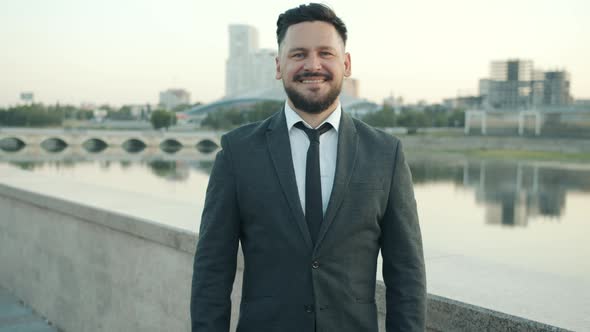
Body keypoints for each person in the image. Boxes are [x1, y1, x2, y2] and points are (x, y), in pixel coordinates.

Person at [191, 3, 426, 332]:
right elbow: (211, 271)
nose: (312, 65)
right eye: (298, 54)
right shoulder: (237, 153)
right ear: (278, 65)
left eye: (325, 53)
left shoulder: (386, 154)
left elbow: (407, 275)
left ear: (346, 63)